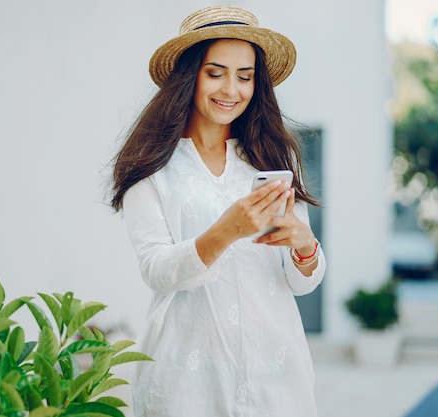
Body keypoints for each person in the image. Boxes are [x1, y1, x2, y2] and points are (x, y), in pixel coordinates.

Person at [110, 5, 326, 417]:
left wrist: (304, 243)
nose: (232, 89)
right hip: (187, 382)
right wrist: (224, 232)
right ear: (188, 76)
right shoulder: (151, 165)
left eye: (245, 76)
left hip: (275, 374)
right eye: (216, 72)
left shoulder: (271, 159)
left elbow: (302, 283)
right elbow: (155, 269)